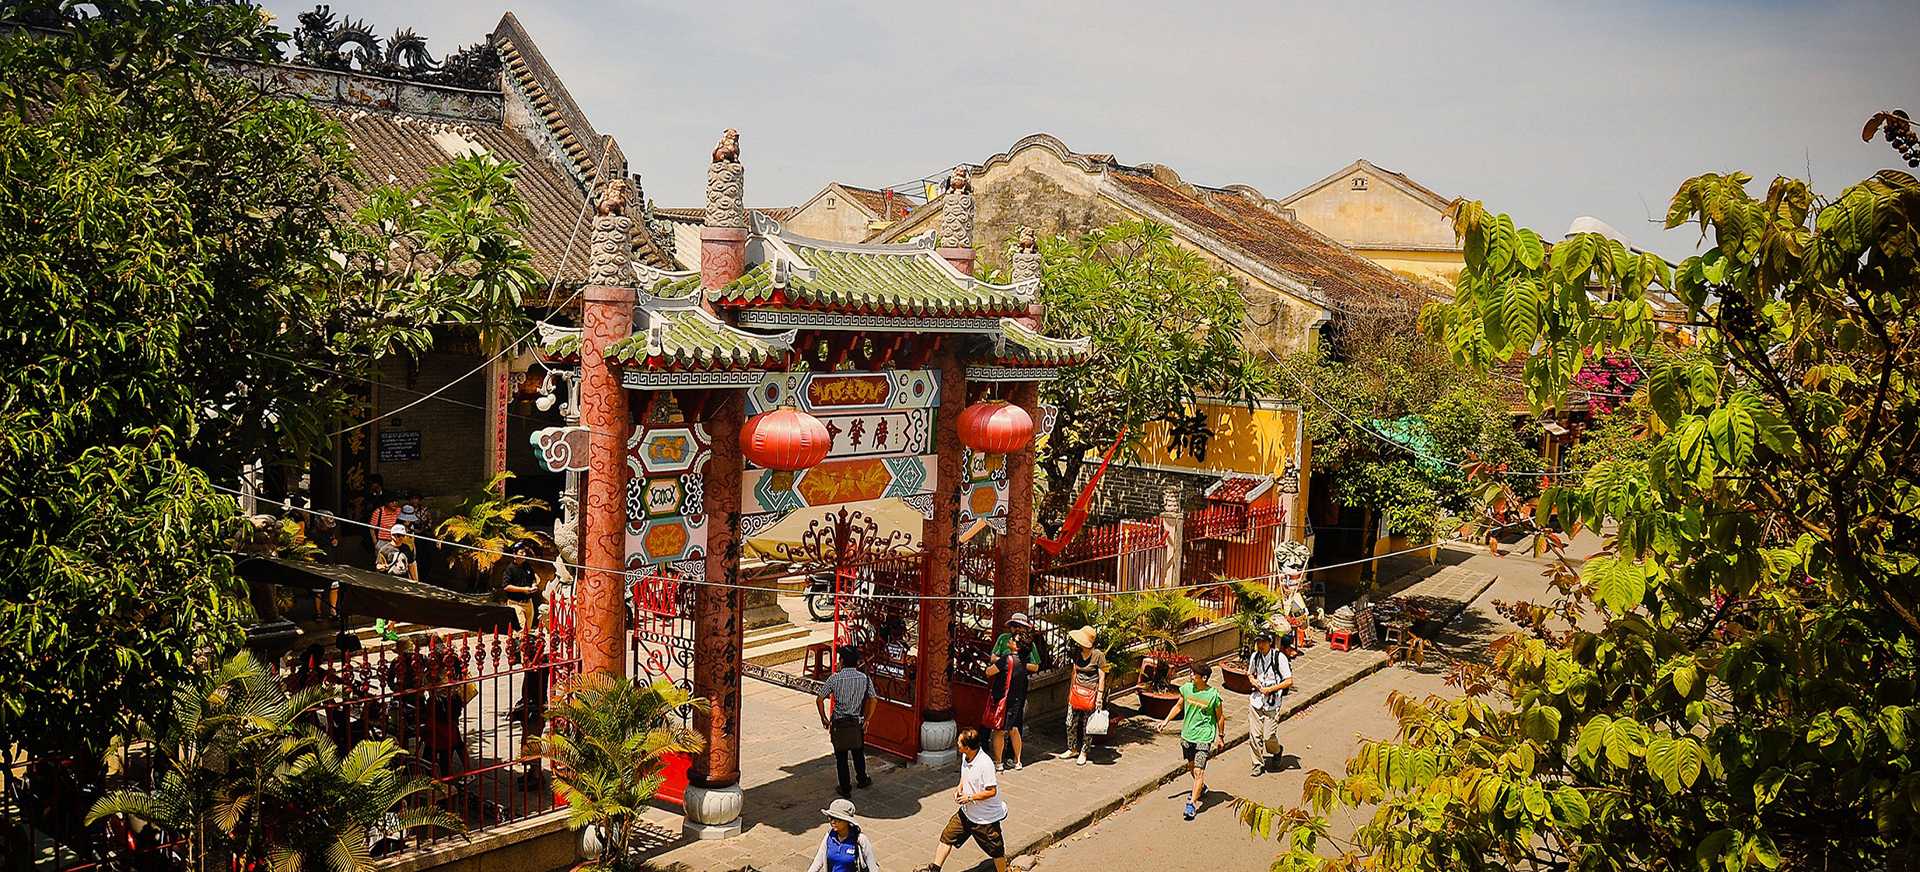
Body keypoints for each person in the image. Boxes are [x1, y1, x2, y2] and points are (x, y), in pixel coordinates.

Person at [922, 728, 1007, 872]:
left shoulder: (985, 764)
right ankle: (935, 869)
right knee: (947, 836)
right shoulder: (966, 756)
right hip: (966, 813)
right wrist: (959, 788)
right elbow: (965, 775)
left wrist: (970, 797)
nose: (957, 744)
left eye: (959, 743)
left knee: (997, 851)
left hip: (984, 819)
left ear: (967, 747)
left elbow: (992, 791)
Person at [1158, 660, 1226, 821]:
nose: (1190, 675)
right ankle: (1201, 788)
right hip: (1187, 736)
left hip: (1204, 737)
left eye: (1193, 673)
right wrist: (1165, 721)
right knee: (1191, 766)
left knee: (1198, 771)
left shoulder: (1213, 695)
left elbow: (1220, 717)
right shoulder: (1187, 689)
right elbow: (1179, 706)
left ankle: (1191, 804)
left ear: (1204, 678)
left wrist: (1221, 736)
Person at [816, 644, 878, 798]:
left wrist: (824, 718)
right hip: (856, 722)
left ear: (841, 661)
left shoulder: (834, 679)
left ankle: (845, 788)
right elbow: (874, 699)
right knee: (858, 752)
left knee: (841, 757)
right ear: (856, 662)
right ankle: (862, 779)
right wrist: (868, 719)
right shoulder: (864, 679)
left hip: (839, 723)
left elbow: (820, 699)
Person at [984, 612, 1042, 770]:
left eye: (1018, 627)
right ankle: (1016, 761)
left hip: (1011, 690)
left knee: (1002, 728)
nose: (1014, 630)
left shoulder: (1026, 645)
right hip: (1009, 687)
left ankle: (1001, 760)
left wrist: (1010, 662)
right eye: (1013, 626)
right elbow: (993, 657)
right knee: (1012, 727)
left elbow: (1035, 666)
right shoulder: (1003, 639)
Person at [1246, 629, 1297, 776]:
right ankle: (1257, 763)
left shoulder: (1279, 658)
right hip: (1256, 700)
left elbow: (1289, 681)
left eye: (1263, 642)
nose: (1260, 645)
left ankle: (1277, 750)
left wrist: (1271, 689)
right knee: (1255, 735)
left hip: (1272, 703)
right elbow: (1249, 673)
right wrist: (1254, 681)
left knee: (1268, 736)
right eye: (1258, 642)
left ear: (1270, 643)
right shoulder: (1255, 657)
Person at [1055, 625, 1107, 766]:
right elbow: (1074, 672)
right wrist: (1071, 690)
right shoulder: (1077, 653)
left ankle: (1084, 751)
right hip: (1077, 692)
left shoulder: (1098, 656)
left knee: (1087, 725)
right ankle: (1072, 747)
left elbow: (1102, 677)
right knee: (1070, 722)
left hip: (1091, 693)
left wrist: (1099, 697)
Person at [809, 798, 882, 872]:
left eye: (837, 819)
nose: (833, 822)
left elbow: (872, 867)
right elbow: (818, 862)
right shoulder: (829, 836)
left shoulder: (860, 839)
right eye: (831, 818)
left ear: (847, 821)